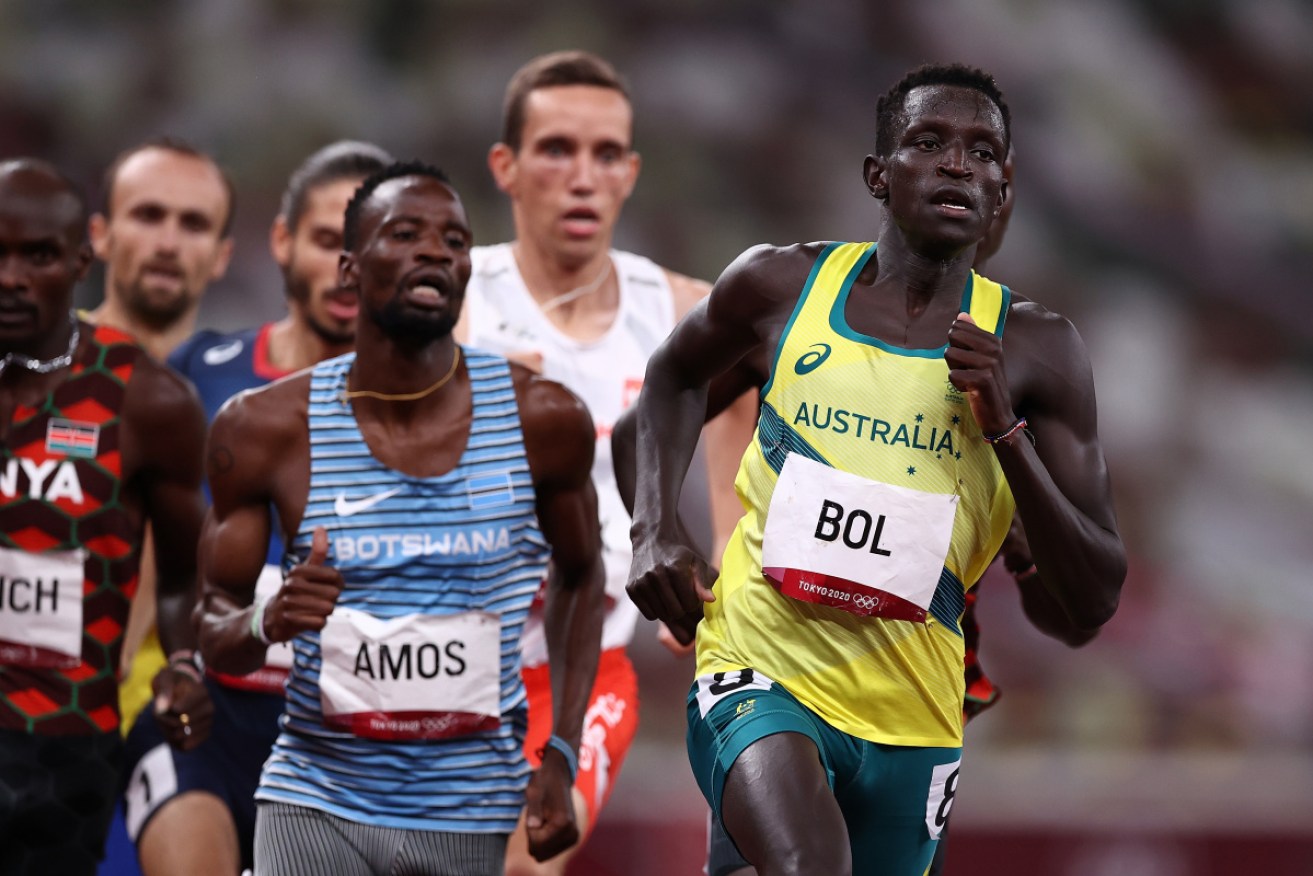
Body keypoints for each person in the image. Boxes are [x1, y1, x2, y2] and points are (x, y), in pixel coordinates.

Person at [625, 63, 1127, 876]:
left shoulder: (1040, 351)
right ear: (877, 175)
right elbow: (668, 383)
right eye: (928, 144)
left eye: (982, 152)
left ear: (1002, 192)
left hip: (915, 714)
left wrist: (1004, 430)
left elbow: (1093, 596)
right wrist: (653, 531)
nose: (958, 164)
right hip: (761, 667)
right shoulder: (779, 285)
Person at [196, 161, 605, 876]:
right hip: (313, 801)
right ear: (350, 270)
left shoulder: (544, 419)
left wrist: (561, 752)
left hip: (470, 810)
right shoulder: (264, 429)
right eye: (405, 234)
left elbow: (581, 575)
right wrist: (271, 619)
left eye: (454, 240)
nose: (434, 252)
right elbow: (213, 631)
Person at [456, 49, 756, 875]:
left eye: (604, 154)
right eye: (556, 149)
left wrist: (726, 571)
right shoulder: (451, 300)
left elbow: (741, 396)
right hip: (434, 660)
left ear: (629, 173)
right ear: (507, 168)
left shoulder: (683, 310)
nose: (581, 175)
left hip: (574, 677)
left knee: (524, 864)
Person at [118, 140, 393, 876]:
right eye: (328, 240)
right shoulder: (194, 379)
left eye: (369, 246)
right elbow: (141, 561)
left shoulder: (436, 416)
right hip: (206, 720)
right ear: (283, 241)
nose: (346, 268)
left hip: (353, 746)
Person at [0, 158, 211, 875]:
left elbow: (184, 579)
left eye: (38, 256)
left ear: (82, 260)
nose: (11, 277)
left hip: (65, 749)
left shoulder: (148, 400)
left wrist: (183, 665)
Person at [84, 137, 235, 734]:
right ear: (100, 235)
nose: (169, 242)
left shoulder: (248, 404)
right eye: (148, 215)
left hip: (175, 719)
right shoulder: (31, 370)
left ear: (222, 255)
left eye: (193, 224)